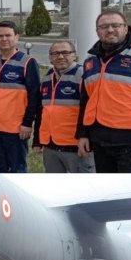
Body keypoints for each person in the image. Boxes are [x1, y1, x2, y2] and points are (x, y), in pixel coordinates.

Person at [77, 10, 131, 173]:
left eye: (115, 25)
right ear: (97, 31)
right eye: (104, 26)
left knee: (130, 193)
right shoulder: (91, 61)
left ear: (126, 28)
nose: (109, 30)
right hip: (99, 141)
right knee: (107, 190)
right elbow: (86, 100)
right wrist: (83, 134)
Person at [0, 20, 41, 173]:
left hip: (14, 126)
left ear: (17, 38)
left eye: (8, 35)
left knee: (17, 168)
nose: (4, 39)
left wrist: (27, 123)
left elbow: (35, 96)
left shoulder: (27, 62)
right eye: (0, 36)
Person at [32, 41, 95, 173]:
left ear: (74, 56)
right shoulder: (47, 78)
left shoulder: (83, 76)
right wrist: (38, 140)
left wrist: (86, 138)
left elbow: (91, 111)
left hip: (75, 146)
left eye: (65, 53)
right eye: (55, 53)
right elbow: (41, 111)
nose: (60, 56)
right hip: (50, 146)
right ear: (50, 58)